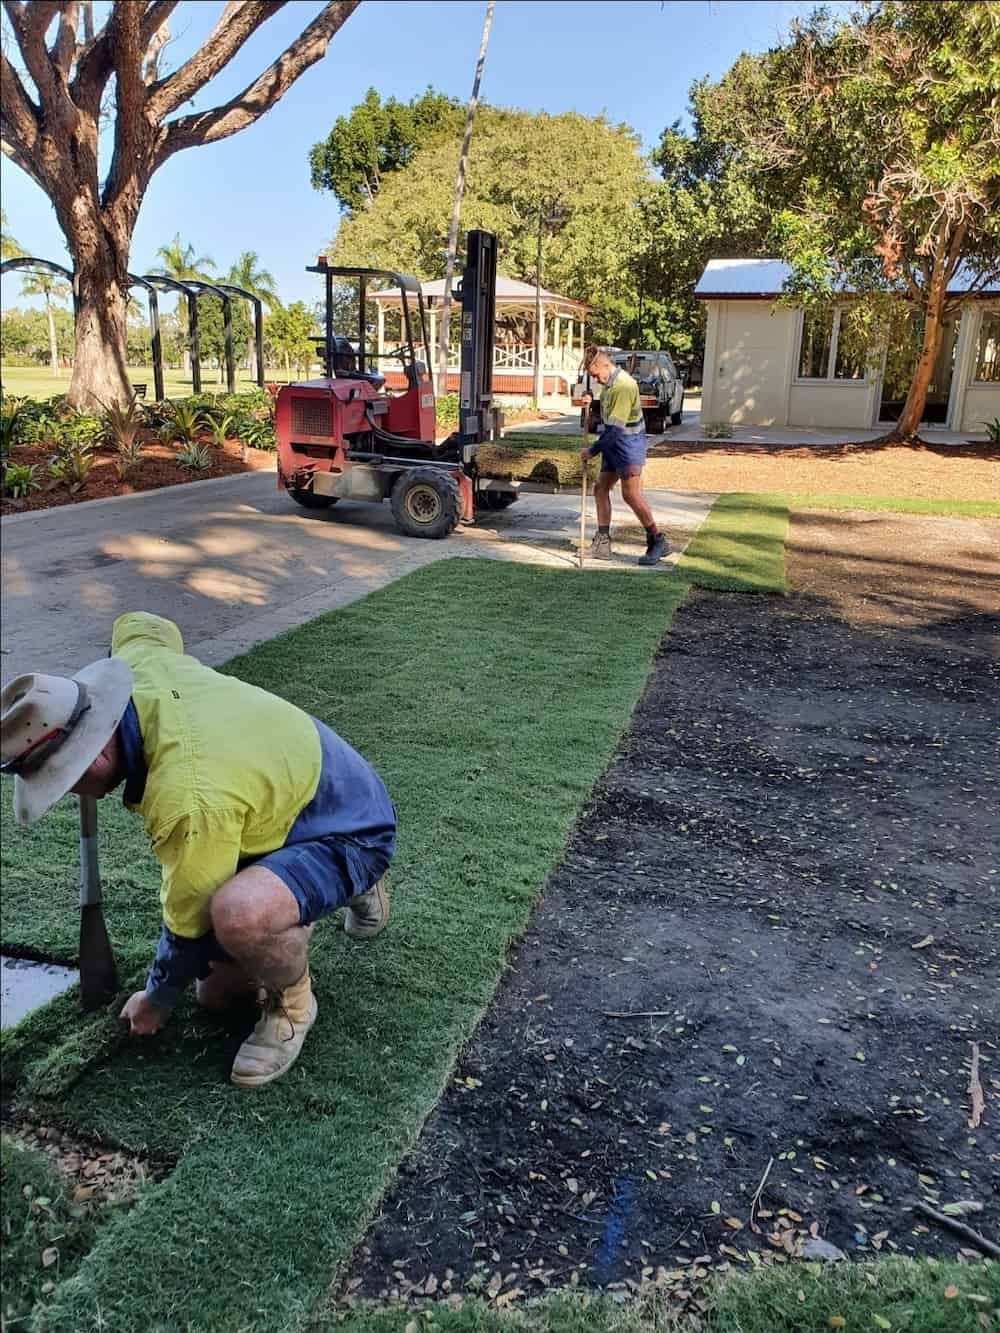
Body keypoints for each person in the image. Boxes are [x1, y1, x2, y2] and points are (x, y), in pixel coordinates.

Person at [0, 612, 396, 1090]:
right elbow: (144, 624)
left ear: (97, 752)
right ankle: (304, 895)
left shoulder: (186, 796)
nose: (64, 792)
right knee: (217, 998)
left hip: (347, 825)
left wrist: (157, 998)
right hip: (274, 797)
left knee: (238, 917)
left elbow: (187, 922)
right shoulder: (133, 665)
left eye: (62, 779)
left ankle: (293, 1002)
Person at [579, 346, 670, 566]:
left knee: (631, 495)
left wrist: (592, 451)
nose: (595, 379)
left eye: (594, 374)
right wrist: (591, 403)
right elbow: (608, 416)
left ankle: (657, 540)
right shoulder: (609, 385)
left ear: (603, 364)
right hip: (613, 444)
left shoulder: (623, 386)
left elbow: (617, 430)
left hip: (628, 445)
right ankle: (602, 543)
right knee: (600, 489)